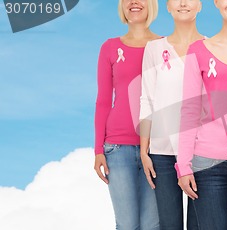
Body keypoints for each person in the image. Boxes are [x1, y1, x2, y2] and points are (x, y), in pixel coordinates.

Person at [175, 0, 227, 229]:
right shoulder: (198, 50)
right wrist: (183, 165)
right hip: (207, 166)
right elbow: (190, 109)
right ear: (216, 3)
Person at [93, 0, 161, 229]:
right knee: (127, 224)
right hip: (117, 148)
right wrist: (98, 150)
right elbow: (103, 101)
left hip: (157, 148)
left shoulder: (165, 47)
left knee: (152, 224)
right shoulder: (110, 47)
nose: (134, 2)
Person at [139, 0, 204, 229]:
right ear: (167, 6)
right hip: (162, 153)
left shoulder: (210, 47)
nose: (183, 3)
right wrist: (144, 149)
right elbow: (146, 98)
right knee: (169, 224)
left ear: (200, 6)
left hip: (200, 154)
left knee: (199, 224)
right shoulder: (154, 49)